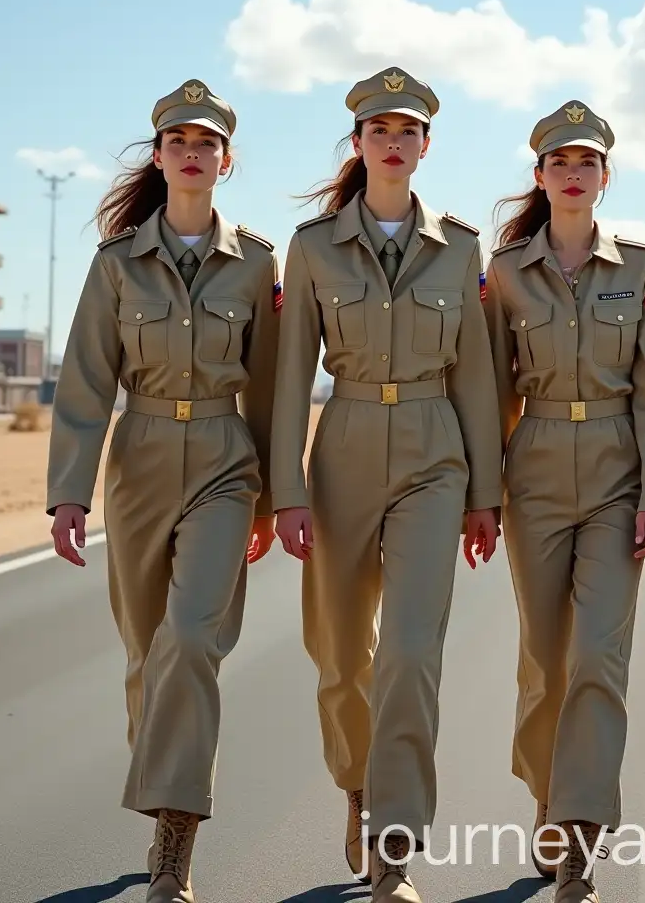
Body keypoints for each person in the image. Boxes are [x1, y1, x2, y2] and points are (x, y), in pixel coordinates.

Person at [269, 66, 502, 903]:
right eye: (380, 130)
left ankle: (394, 844)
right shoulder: (311, 246)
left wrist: (485, 494)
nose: (394, 142)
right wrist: (286, 490)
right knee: (340, 653)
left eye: (409, 131)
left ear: (427, 146)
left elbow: (476, 376)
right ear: (359, 143)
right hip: (344, 450)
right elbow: (290, 376)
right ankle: (358, 787)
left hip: (436, 455)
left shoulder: (462, 248)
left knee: (409, 650)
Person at [46, 79, 281, 903]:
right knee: (148, 654)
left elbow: (270, 389)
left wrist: (270, 498)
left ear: (226, 160)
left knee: (190, 639)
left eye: (207, 142)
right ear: (159, 156)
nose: (192, 152)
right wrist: (68, 494)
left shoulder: (257, 263)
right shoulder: (116, 263)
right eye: (178, 141)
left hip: (223, 459)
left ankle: (176, 838)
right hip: (139, 460)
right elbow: (85, 383)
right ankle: (162, 787)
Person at [482, 101, 645, 903]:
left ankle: (579, 836)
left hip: (616, 475)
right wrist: (484, 495)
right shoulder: (505, 272)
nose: (573, 174)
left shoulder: (641, 267)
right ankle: (547, 795)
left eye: (587, 162)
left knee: (600, 656)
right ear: (539, 176)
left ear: (605, 177)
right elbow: (490, 393)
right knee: (545, 659)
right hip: (532, 471)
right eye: (559, 162)